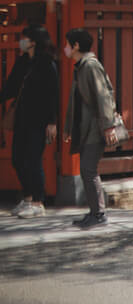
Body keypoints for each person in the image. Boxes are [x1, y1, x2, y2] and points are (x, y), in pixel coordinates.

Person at [64, 28, 119, 229]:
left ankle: (99, 214)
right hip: (87, 127)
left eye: (68, 44)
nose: (65, 48)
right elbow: (76, 102)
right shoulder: (81, 67)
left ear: (76, 46)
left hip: (95, 127)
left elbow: (103, 97)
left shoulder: (90, 66)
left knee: (88, 169)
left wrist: (108, 126)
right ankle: (94, 212)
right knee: (86, 170)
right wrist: (69, 128)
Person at [1, 24, 58, 218]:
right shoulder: (22, 62)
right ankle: (27, 197)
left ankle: (38, 202)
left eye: (24, 38)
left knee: (33, 160)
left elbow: (53, 95)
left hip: (39, 120)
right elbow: (10, 86)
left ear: (33, 41)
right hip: (22, 117)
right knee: (17, 159)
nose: (21, 41)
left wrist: (52, 122)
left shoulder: (47, 64)